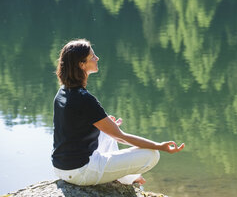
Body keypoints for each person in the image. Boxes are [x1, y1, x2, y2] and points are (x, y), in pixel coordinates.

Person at [52, 39, 185, 186]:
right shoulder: (85, 99)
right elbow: (121, 137)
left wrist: (107, 123)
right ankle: (127, 178)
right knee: (152, 155)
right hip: (81, 172)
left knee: (106, 133)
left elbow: (72, 125)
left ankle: (126, 178)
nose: (97, 58)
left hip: (61, 167)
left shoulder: (63, 91)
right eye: (93, 57)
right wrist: (159, 146)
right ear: (81, 65)